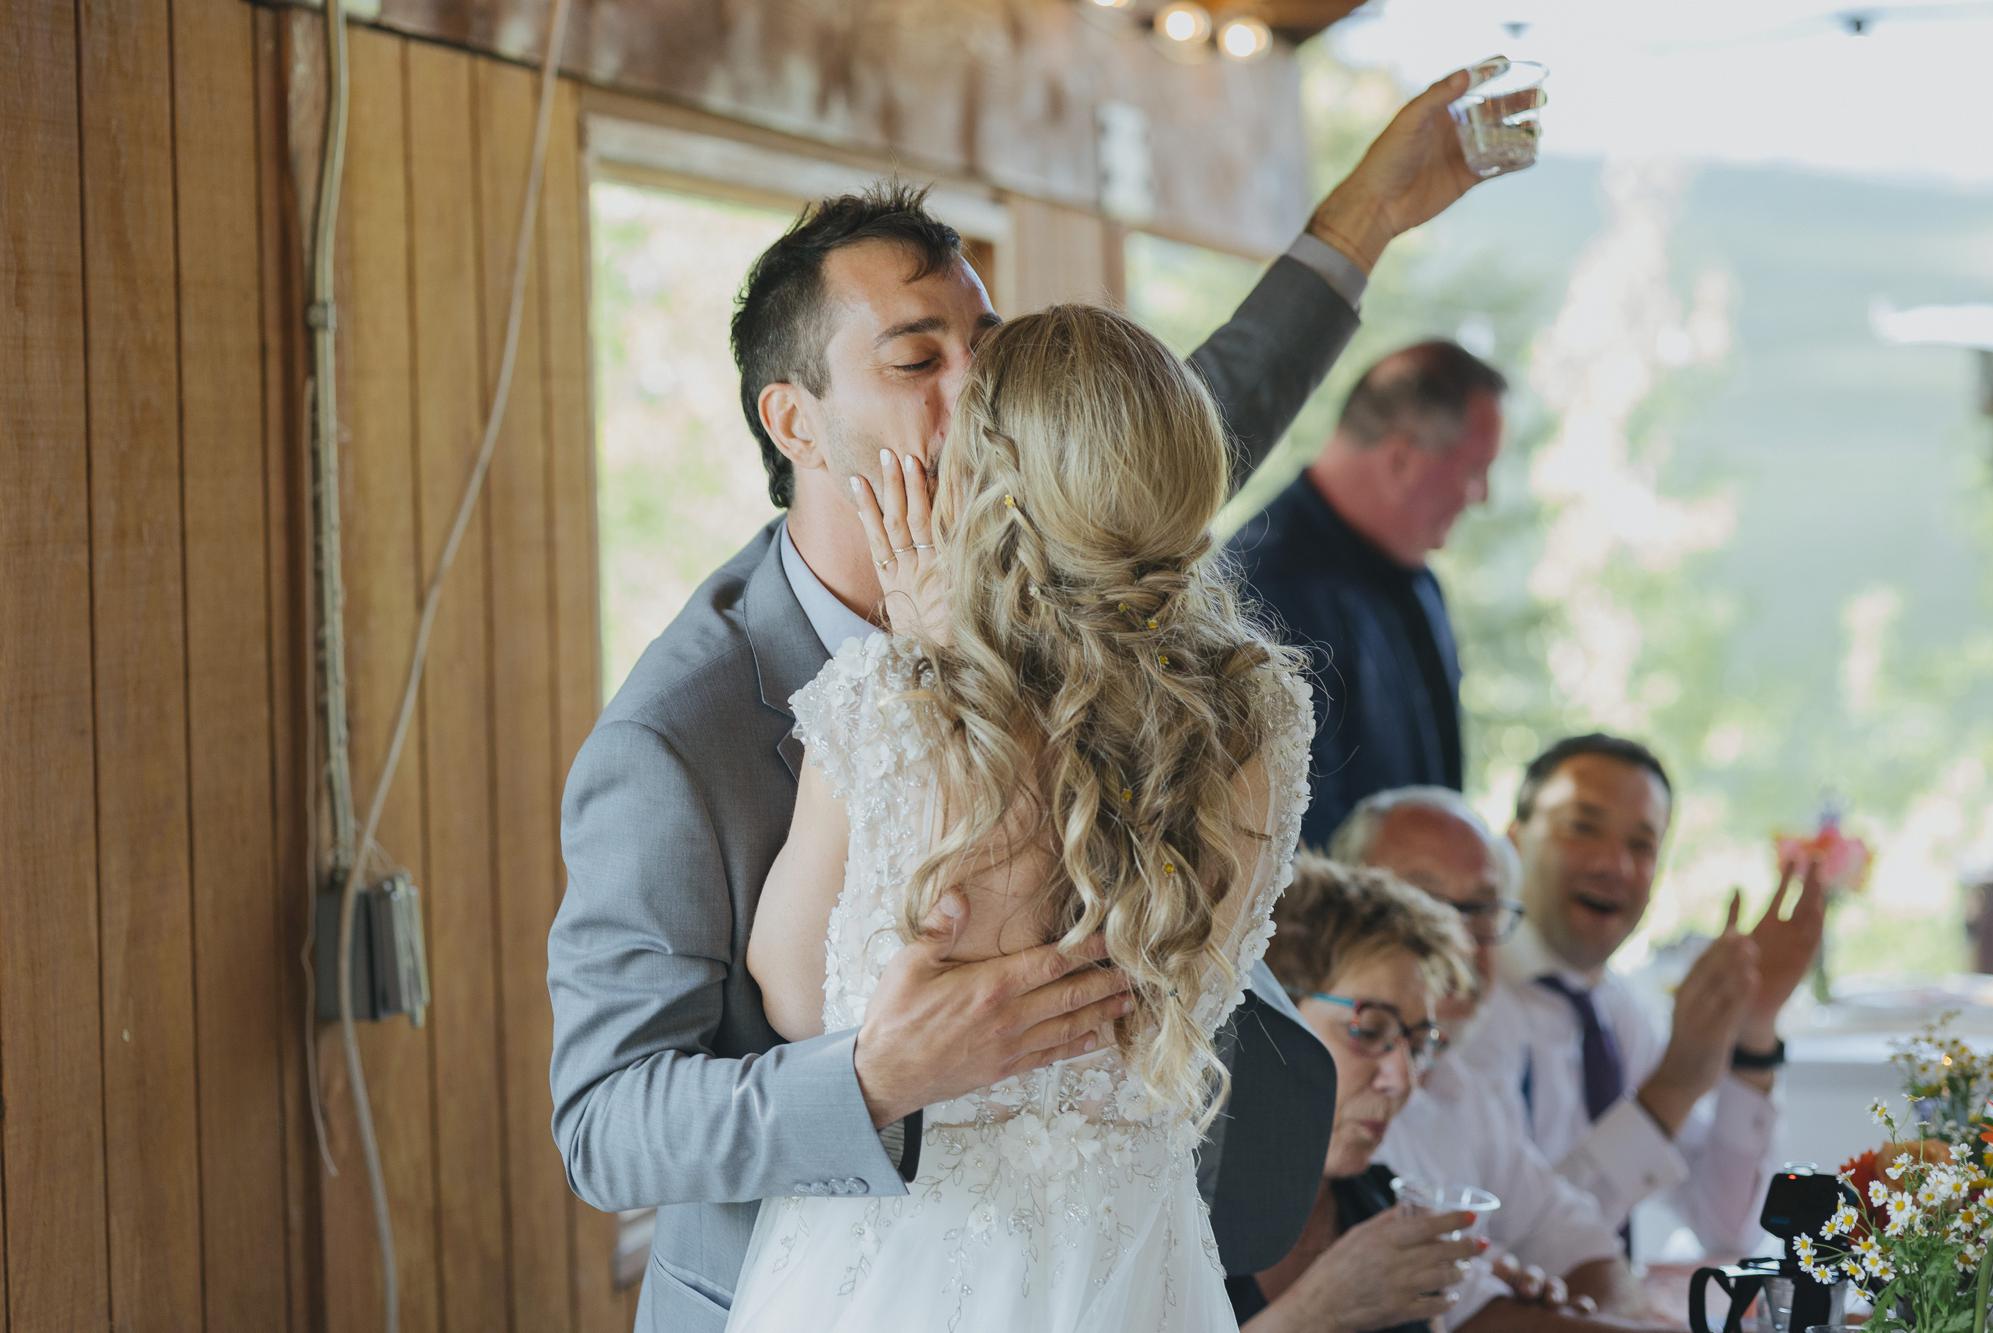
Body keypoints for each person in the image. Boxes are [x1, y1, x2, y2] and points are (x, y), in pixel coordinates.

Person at [548, 64, 1538, 1333]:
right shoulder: (677, 734)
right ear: (795, 421)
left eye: (991, 352)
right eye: (918, 360)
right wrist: (869, 1076)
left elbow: (1197, 415)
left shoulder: (1079, 543)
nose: (979, 397)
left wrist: (1366, 217)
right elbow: (605, 1126)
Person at [723, 303, 1313, 1331]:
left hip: (892, 1273)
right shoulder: (1259, 713)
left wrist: (924, 662)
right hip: (1138, 1261)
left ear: (984, 483)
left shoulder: (886, 706)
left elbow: (791, 992)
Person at [1456, 734, 1827, 1255]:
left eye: (1641, 844)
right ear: (1515, 842)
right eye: (1582, 828)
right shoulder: (1467, 1008)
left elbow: (1729, 1227)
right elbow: (1511, 1248)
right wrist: (1672, 1089)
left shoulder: (1619, 1010)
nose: (1615, 865)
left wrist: (1755, 1032)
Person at [1332, 787, 1673, 1332]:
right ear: (1342, 914)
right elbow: (1467, 1317)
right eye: (1425, 905)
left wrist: (1582, 1313)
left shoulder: (1460, 1080)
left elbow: (1575, 1238)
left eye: (1483, 910)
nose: (1462, 941)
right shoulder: (1339, 1088)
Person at [1226, 340, 1506, 849]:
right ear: (1402, 460)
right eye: (1474, 471)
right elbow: (1285, 846)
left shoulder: (1417, 580)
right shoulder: (1260, 590)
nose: (1482, 496)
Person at [1236, 857, 1486, 1331]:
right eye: (1369, 1030)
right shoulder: (1171, 1209)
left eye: (1416, 1045)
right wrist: (1317, 1312)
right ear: (1267, 1018)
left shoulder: (1383, 1211)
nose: (1403, 1080)